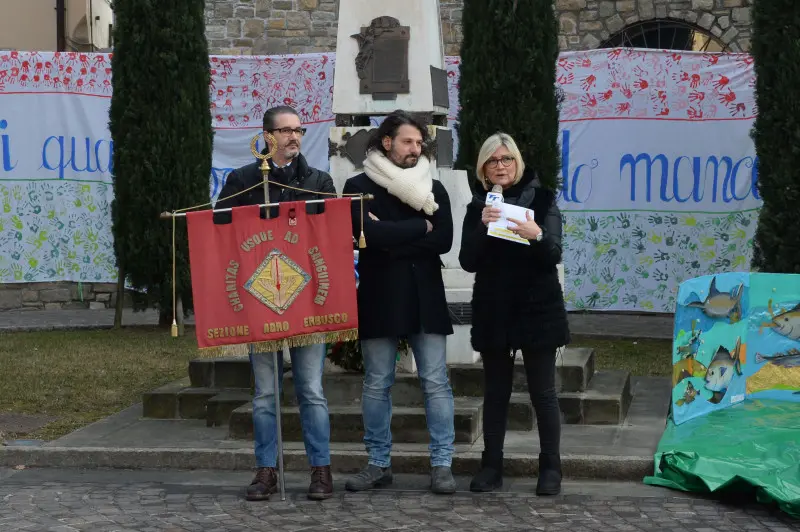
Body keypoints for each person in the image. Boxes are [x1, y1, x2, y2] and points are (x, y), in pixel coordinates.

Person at [214, 105, 337, 501]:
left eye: (298, 130)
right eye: (284, 131)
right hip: (262, 298)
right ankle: (266, 469)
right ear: (267, 137)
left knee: (312, 390)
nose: (294, 137)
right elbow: (220, 227)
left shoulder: (318, 180)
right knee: (266, 394)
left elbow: (330, 235)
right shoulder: (244, 180)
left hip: (306, 301)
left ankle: (320, 470)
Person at [341, 110, 457, 494]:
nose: (416, 148)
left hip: (424, 295)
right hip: (378, 295)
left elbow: (443, 241)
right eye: (408, 141)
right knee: (377, 384)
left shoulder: (433, 188)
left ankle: (442, 464)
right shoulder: (358, 186)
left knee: (435, 383)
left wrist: (386, 238)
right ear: (387, 142)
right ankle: (378, 463)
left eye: (419, 143)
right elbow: (361, 235)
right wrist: (415, 228)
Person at [458, 133, 570, 496]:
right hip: (495, 308)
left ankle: (550, 467)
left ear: (517, 162)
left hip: (537, 307)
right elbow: (468, 260)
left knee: (543, 392)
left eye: (506, 159)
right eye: (493, 161)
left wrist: (536, 234)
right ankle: (491, 466)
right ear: (483, 168)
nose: (501, 166)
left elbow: (553, 253)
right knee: (496, 392)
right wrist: (483, 227)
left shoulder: (543, 198)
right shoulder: (478, 206)